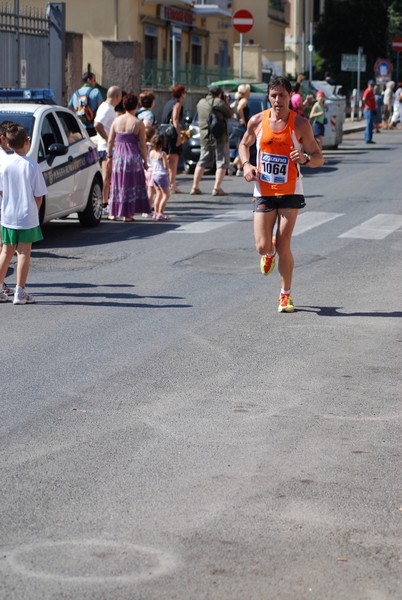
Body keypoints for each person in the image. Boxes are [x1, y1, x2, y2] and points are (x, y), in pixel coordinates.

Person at [238, 75, 323, 313]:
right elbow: (244, 145)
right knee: (261, 246)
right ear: (268, 96)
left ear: (289, 97)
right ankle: (269, 251)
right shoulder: (257, 121)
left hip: (290, 191)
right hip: (264, 190)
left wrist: (305, 158)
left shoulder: (300, 125)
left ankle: (285, 295)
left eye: (282, 95)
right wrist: (246, 165)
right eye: (274, 95)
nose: (278, 100)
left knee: (285, 244)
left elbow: (318, 158)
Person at [0, 124, 47, 304]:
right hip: (26, 217)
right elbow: (39, 195)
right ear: (27, 141)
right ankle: (20, 291)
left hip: (8, 215)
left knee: (5, 251)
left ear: (9, 144)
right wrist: (33, 211)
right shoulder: (32, 166)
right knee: (23, 253)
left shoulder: (4, 165)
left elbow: (2, 191)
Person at [106, 93, 150, 222]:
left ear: (124, 105)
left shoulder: (116, 120)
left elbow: (110, 141)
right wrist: (145, 161)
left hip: (118, 156)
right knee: (130, 185)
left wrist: (109, 156)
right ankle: (128, 214)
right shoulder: (138, 123)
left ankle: (113, 213)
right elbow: (142, 145)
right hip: (132, 157)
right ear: (136, 106)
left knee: (117, 184)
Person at [190, 85, 233, 197]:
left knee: (202, 161)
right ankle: (216, 188)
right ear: (219, 94)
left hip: (205, 136)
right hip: (219, 136)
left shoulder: (201, 103)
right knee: (222, 162)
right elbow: (230, 114)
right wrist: (226, 101)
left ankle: (195, 186)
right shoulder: (219, 102)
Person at [94, 85, 122, 214]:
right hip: (106, 148)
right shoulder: (107, 109)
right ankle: (104, 203)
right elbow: (97, 124)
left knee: (108, 176)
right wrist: (107, 139)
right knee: (107, 176)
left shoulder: (106, 107)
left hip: (106, 147)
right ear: (117, 96)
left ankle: (106, 201)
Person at [160, 84, 187, 194]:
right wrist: (179, 135)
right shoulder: (177, 104)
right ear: (182, 94)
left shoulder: (168, 102)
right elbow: (175, 119)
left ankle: (167, 183)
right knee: (173, 160)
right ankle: (172, 184)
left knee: (166, 158)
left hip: (163, 131)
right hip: (171, 133)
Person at [68, 71, 103, 137]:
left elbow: (69, 107)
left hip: (79, 128)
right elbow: (101, 109)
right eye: (94, 80)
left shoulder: (75, 94)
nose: (95, 82)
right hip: (92, 128)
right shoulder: (96, 91)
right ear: (88, 80)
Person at [149, 132, 171, 221]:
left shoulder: (151, 153)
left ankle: (155, 213)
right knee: (166, 194)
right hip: (161, 175)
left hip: (154, 175)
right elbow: (166, 166)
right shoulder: (163, 154)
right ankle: (161, 213)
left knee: (158, 194)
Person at [230, 83, 251, 176]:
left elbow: (230, 108)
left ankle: (239, 169)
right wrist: (242, 119)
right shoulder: (244, 100)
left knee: (240, 146)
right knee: (244, 147)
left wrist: (234, 117)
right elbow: (239, 109)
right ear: (246, 92)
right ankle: (234, 164)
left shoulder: (236, 101)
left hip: (236, 126)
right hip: (241, 127)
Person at [362, 79, 376, 144]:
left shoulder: (372, 91)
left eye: (373, 85)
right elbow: (364, 99)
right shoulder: (367, 91)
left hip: (371, 110)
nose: (372, 86)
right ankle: (367, 139)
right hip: (368, 110)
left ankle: (369, 138)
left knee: (370, 125)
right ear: (368, 85)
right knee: (369, 124)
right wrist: (368, 106)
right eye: (371, 85)